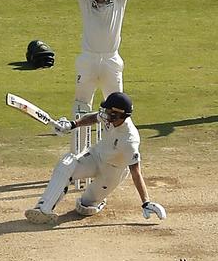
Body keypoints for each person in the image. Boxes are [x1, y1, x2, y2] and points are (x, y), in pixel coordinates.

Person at [24, 91, 166, 225]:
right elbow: (94, 117)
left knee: (84, 208)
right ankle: (43, 209)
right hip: (95, 156)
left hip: (112, 172)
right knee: (66, 164)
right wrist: (73, 124)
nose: (104, 114)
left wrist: (146, 202)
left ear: (118, 115)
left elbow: (136, 172)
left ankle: (97, 202)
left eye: (108, 111)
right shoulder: (109, 116)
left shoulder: (129, 140)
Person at [54, 0, 148, 119]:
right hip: (87, 60)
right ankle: (79, 146)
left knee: (117, 107)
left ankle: (112, 147)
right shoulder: (86, 1)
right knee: (81, 104)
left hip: (111, 61)